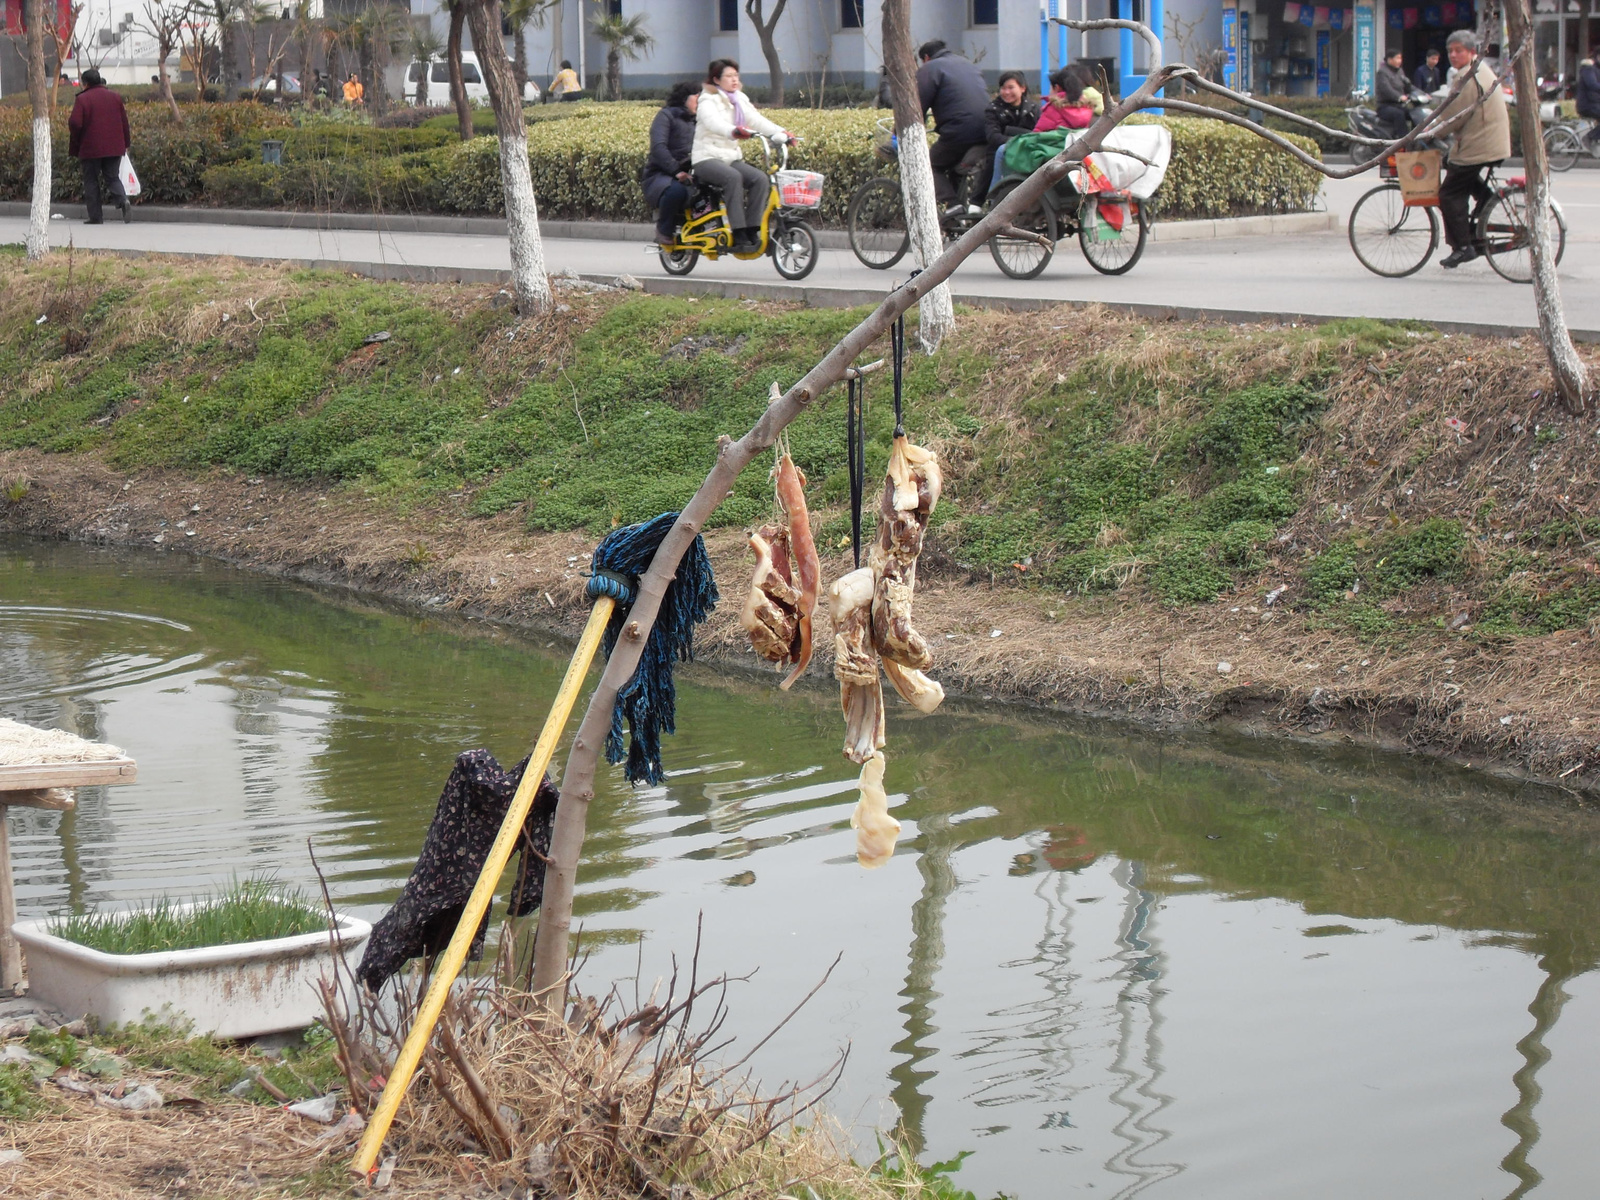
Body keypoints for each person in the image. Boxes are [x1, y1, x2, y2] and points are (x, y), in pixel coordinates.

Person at [691, 59, 792, 252]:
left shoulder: (739, 99)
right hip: (706, 158)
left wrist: (783, 133)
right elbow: (714, 123)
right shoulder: (707, 99)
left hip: (729, 158)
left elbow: (757, 120)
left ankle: (753, 229)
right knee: (733, 178)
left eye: (736, 75)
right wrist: (734, 131)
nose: (734, 80)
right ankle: (738, 233)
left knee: (760, 179)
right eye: (728, 76)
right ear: (716, 80)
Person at [1433, 29, 1510, 268]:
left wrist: (1431, 132)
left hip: (1480, 144)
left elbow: (1455, 116)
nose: (1454, 55)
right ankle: (1486, 200)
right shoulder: (1479, 69)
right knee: (1453, 167)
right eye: (1450, 51)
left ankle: (1463, 246)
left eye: (1459, 51)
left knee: (1448, 194)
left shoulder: (1468, 76)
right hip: (1488, 141)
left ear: (1471, 52)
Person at [915, 39, 989, 211]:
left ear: (926, 58)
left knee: (928, 165)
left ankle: (952, 205)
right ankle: (954, 218)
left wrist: (900, 133)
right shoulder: (968, 64)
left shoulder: (929, 68)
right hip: (986, 129)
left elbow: (918, 106)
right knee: (952, 163)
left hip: (959, 131)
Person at [67, 68, 131, 226]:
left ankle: (96, 217)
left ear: (86, 83)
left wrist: (77, 139)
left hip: (91, 148)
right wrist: (126, 143)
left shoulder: (83, 99)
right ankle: (123, 200)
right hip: (115, 146)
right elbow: (124, 123)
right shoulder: (115, 97)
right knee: (112, 177)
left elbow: (75, 122)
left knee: (91, 181)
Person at [644, 82, 699, 248]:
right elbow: (658, 147)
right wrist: (675, 170)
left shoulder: (698, 120)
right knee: (676, 191)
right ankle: (664, 228)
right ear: (684, 99)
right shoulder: (666, 116)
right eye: (696, 97)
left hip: (692, 170)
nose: (700, 101)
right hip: (662, 173)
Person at [980, 71, 1038, 203]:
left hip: (1026, 152)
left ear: (1023, 88)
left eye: (1011, 88)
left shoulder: (1033, 109)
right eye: (1003, 88)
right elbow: (993, 136)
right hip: (998, 152)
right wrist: (1016, 141)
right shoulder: (993, 109)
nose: (1006, 92)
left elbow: (1038, 133)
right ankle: (993, 198)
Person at [1034, 66, 1095, 132]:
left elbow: (1038, 134)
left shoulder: (1054, 108)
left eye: (1050, 88)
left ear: (1056, 87)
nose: (1049, 91)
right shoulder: (1086, 108)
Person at [1375, 48, 1412, 139]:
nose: (1400, 61)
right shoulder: (1382, 72)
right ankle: (1403, 141)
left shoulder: (1399, 71)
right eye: (1397, 58)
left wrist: (1422, 94)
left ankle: (1417, 138)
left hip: (1398, 105)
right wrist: (1399, 96)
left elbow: (1408, 84)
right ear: (1390, 59)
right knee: (1398, 114)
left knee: (1413, 112)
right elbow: (1386, 89)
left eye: (1400, 58)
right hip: (1385, 107)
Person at [1577, 51, 1600, 151]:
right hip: (1587, 105)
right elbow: (1592, 85)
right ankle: (1589, 137)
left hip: (1594, 104)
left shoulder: (1596, 69)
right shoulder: (1588, 69)